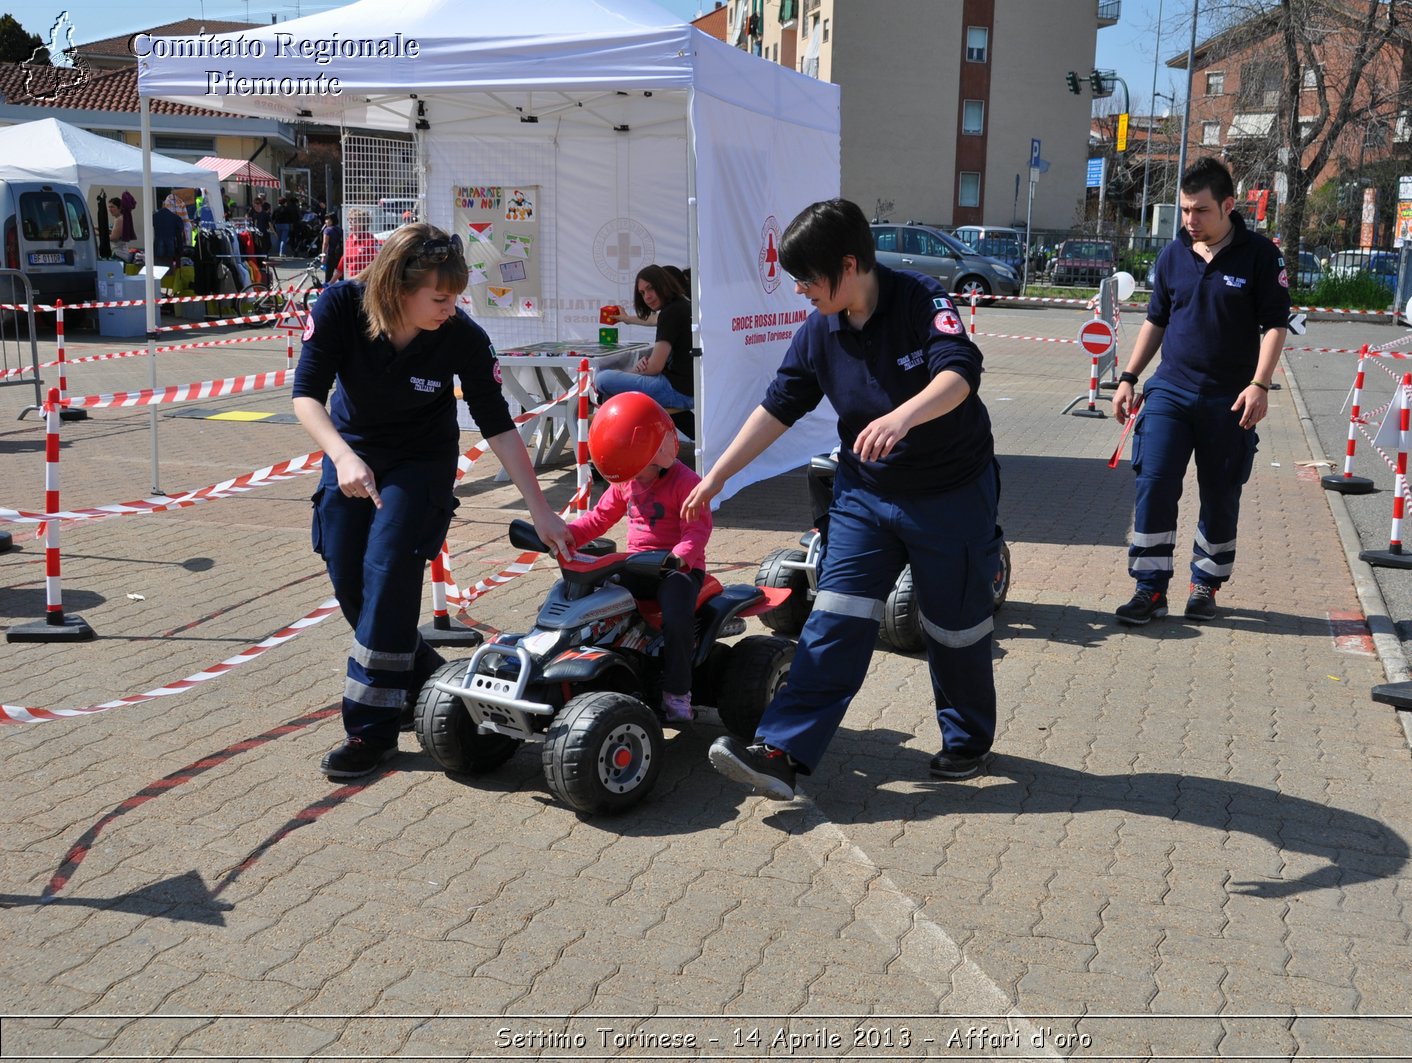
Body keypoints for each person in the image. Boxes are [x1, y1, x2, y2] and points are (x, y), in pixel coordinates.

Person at [683, 197, 1001, 801]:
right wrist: (718, 474)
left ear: (849, 264)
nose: (800, 290)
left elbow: (959, 372)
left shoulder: (920, 299)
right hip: (866, 494)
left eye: (807, 278)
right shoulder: (818, 330)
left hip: (951, 493)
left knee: (953, 626)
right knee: (835, 617)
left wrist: (902, 418)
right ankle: (782, 752)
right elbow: (779, 406)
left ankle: (966, 738)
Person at [291, 223, 575, 779]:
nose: (451, 308)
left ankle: (370, 729)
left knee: (390, 570)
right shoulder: (338, 307)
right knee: (350, 578)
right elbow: (305, 395)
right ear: (398, 286)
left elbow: (497, 423)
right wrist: (343, 458)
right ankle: (429, 679)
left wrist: (540, 507)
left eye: (455, 297)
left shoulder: (461, 336)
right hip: (350, 452)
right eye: (440, 298)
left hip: (421, 462)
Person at [1110, 157, 1289, 626]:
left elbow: (1275, 325)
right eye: (1185, 210)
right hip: (1170, 390)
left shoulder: (1260, 256)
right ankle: (1149, 589)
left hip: (1230, 398)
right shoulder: (1173, 255)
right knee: (1154, 483)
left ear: (1228, 205)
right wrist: (1128, 377)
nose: (1190, 221)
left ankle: (1205, 584)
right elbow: (1156, 320)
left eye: (1200, 211)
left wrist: (1260, 384)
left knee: (1221, 491)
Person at [565, 393, 712, 725]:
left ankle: (677, 693)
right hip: (635, 564)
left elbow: (698, 531)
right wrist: (567, 535)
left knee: (677, 619)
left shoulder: (688, 484)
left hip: (678, 571)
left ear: (661, 452)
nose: (636, 479)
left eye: (641, 470)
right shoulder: (627, 482)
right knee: (591, 592)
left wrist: (679, 557)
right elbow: (598, 519)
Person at [595, 264, 694, 411]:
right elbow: (657, 362)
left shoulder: (671, 312)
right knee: (615, 383)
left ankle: (608, 425)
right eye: (642, 293)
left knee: (602, 379)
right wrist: (646, 364)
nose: (647, 296)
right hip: (688, 388)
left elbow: (655, 367)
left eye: (651, 288)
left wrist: (635, 370)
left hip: (678, 391)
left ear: (664, 285)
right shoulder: (683, 305)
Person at [338, 208, 380, 280]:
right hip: (352, 282)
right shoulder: (349, 240)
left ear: (362, 222)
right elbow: (343, 261)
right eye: (349, 219)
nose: (350, 222)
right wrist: (331, 282)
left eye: (353, 219)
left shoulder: (370, 240)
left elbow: (377, 262)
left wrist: (360, 276)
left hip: (366, 282)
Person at [320, 212, 344, 285]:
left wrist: (323, 255)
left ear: (332, 220)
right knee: (340, 274)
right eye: (326, 219)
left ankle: (327, 292)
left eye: (328, 219)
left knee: (329, 276)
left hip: (330, 254)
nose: (326, 221)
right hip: (339, 254)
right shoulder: (340, 229)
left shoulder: (327, 230)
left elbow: (325, 243)